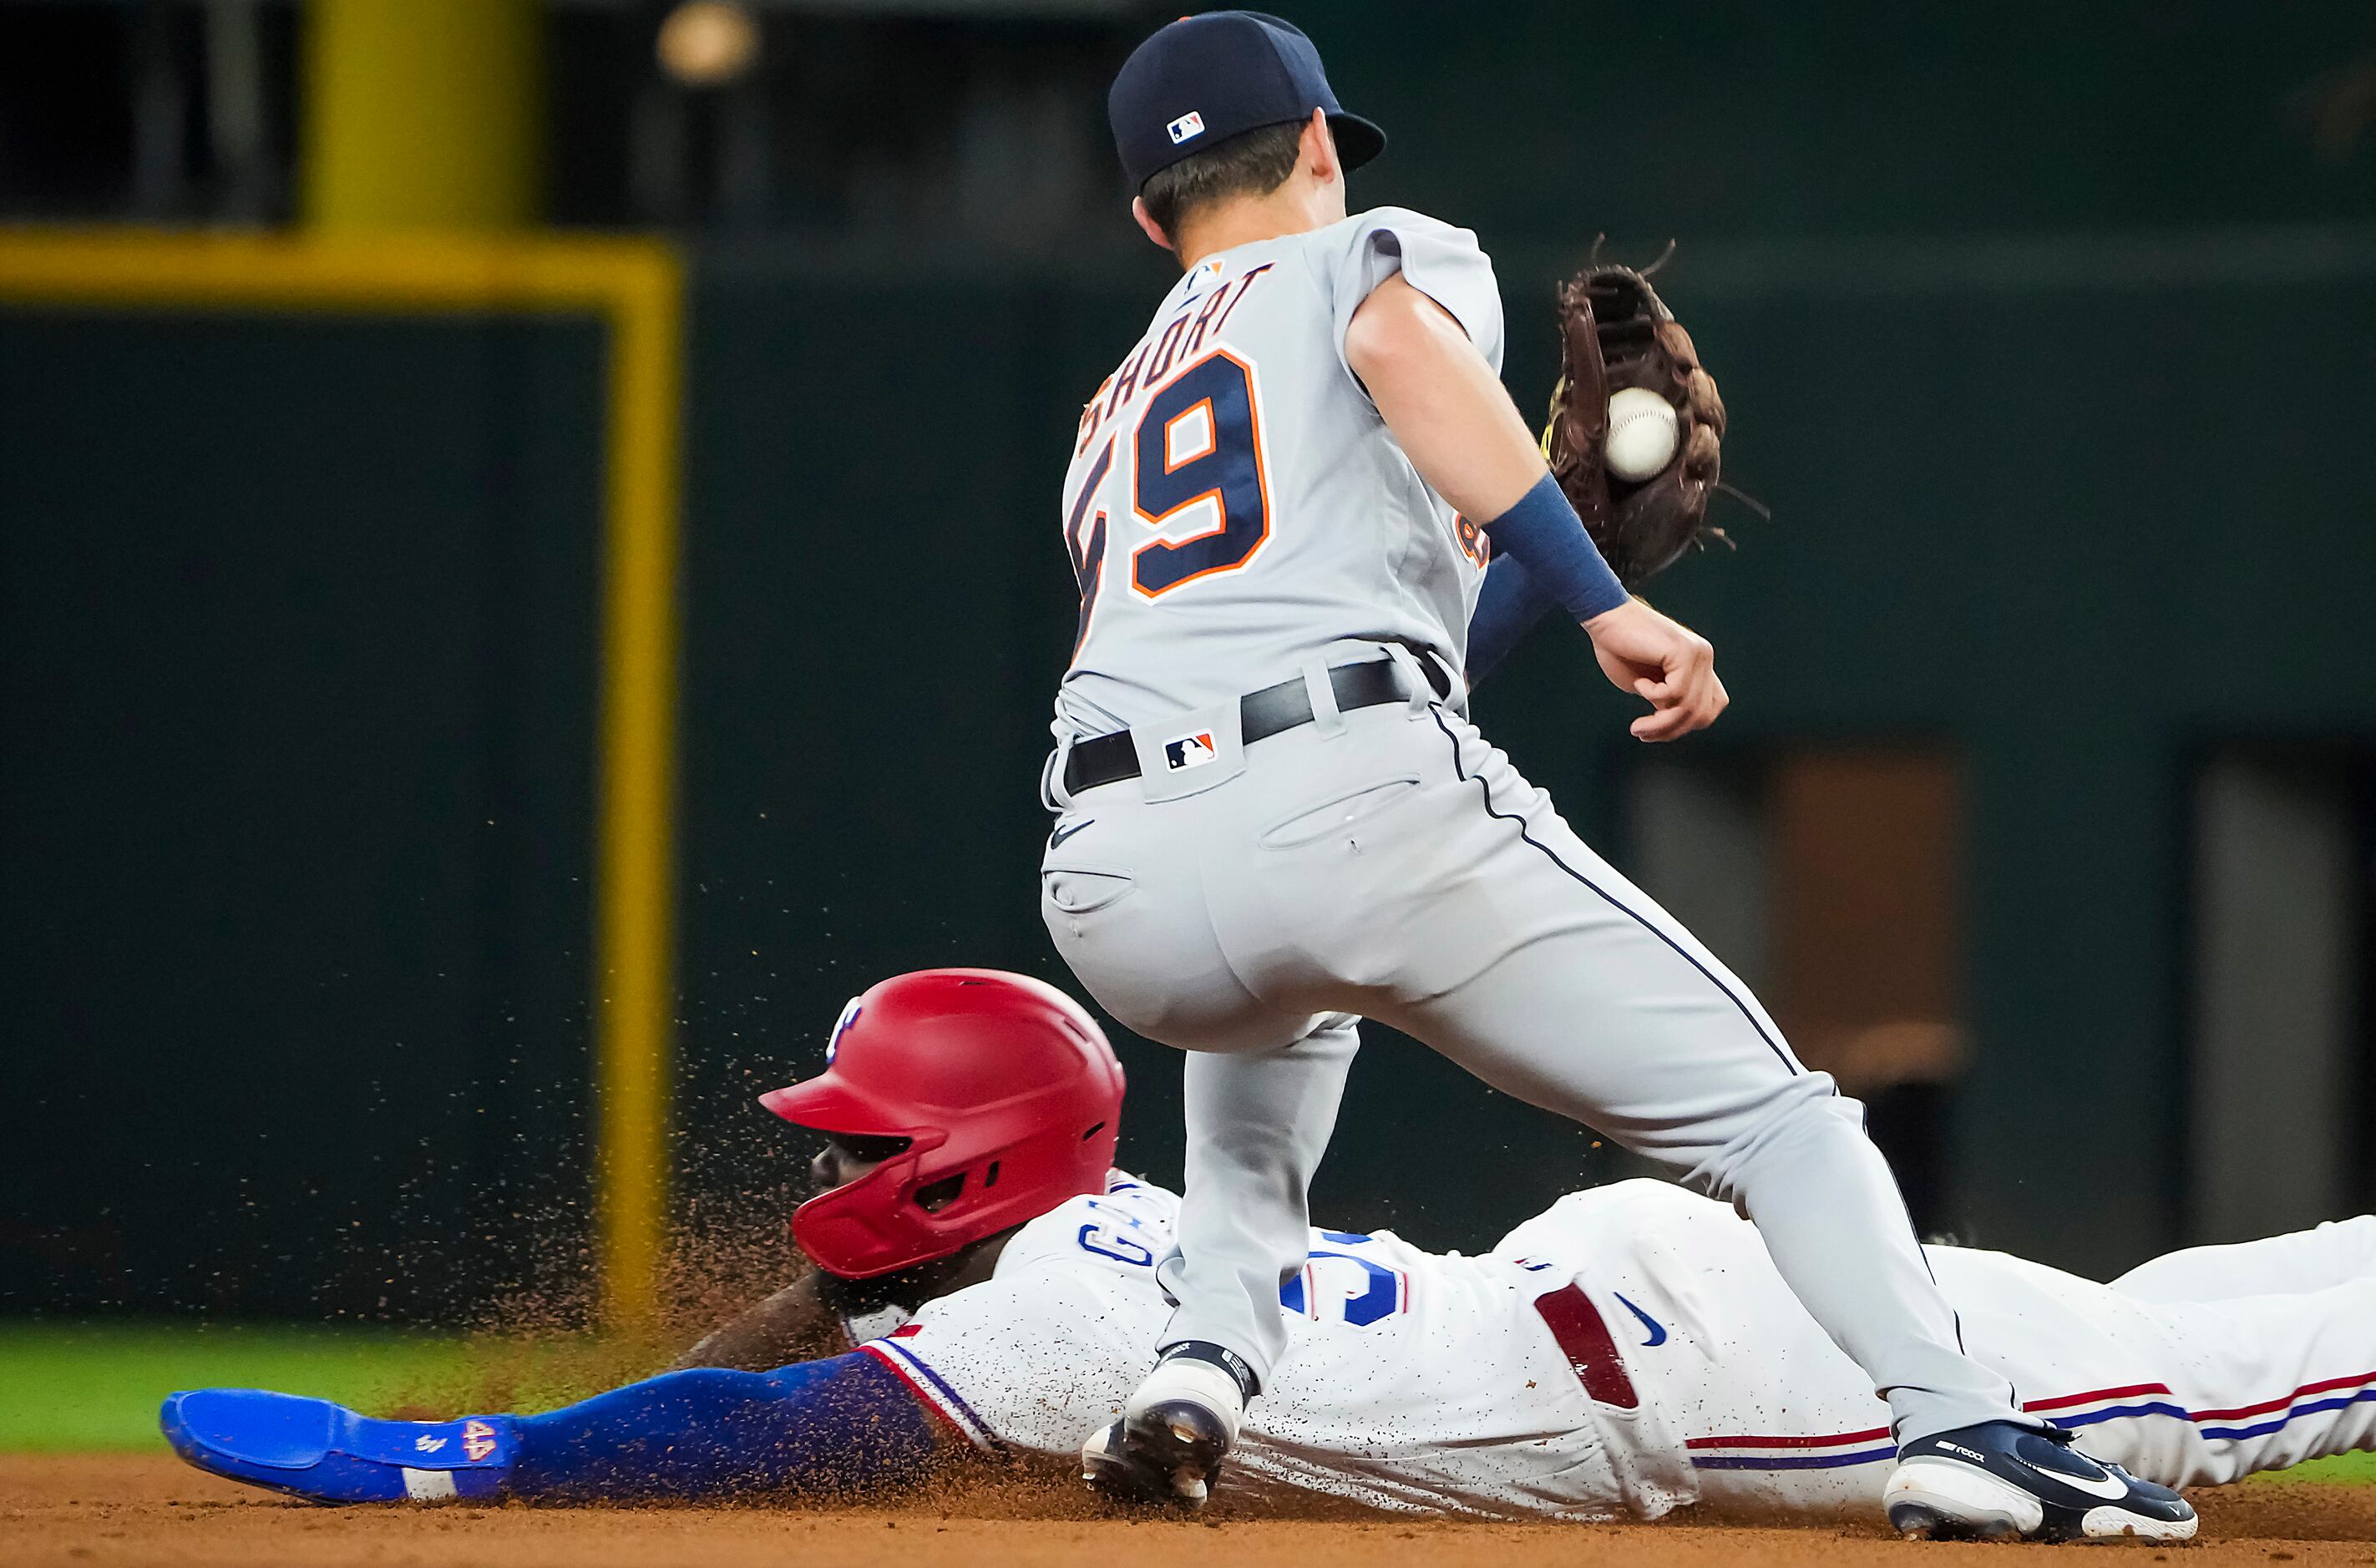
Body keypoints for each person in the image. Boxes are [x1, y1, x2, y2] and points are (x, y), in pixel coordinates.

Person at [1036, 11, 2190, 1539]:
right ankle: (1960, 1424)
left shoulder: (1106, 415)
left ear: (1143, 217)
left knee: (1275, 1023)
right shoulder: (1372, 248)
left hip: (1113, 879)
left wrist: (1535, 549)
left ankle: (1191, 1369)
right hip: (1336, 796)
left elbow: (1398, 642)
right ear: (1318, 144)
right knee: (1780, 1120)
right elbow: (1390, 345)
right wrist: (1600, 589)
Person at [162, 971, 2374, 1535]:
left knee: (2214, 1392)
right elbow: (832, 1301)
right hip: (1619, 1300)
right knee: (2147, 1325)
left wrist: (459, 1455)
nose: (827, 1166)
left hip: (1683, 1365)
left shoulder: (1054, 1310)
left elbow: (767, 1423)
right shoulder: (1087, 1225)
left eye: (861, 1137)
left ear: (961, 1167)